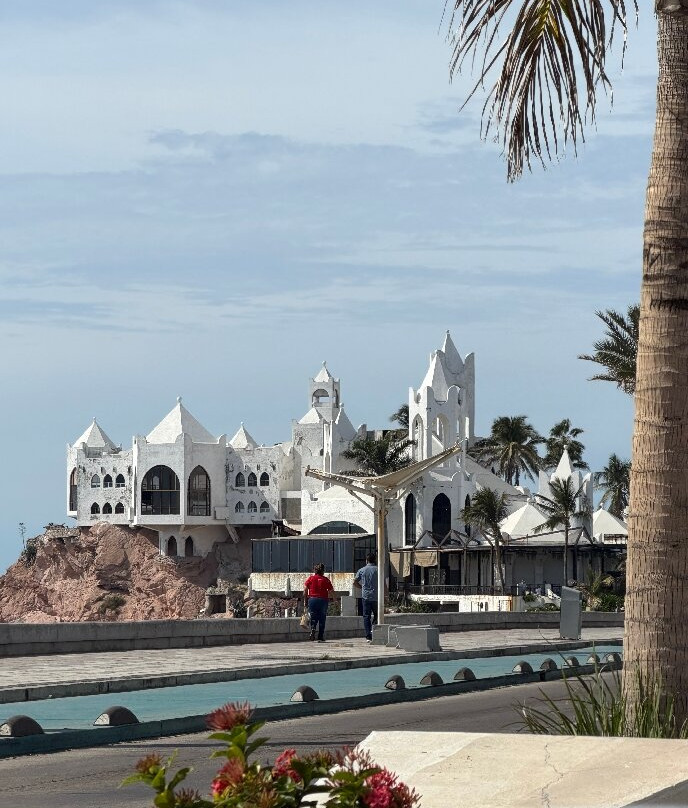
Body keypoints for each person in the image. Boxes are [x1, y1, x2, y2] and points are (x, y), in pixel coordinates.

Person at [303, 562, 334, 642]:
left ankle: (313, 628)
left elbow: (305, 590)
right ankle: (320, 636)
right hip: (323, 600)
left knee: (313, 616)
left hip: (312, 599)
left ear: (315, 570)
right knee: (322, 618)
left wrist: (305, 600)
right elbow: (331, 590)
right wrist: (334, 599)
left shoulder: (311, 578)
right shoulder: (326, 580)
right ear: (323, 571)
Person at [353, 552, 378, 642]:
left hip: (366, 596)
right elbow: (384, 584)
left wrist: (361, 587)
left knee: (366, 616)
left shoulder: (362, 570)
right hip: (376, 596)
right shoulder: (378, 570)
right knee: (377, 615)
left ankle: (368, 636)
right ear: (375, 560)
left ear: (366, 560)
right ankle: (374, 630)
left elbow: (355, 582)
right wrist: (385, 596)